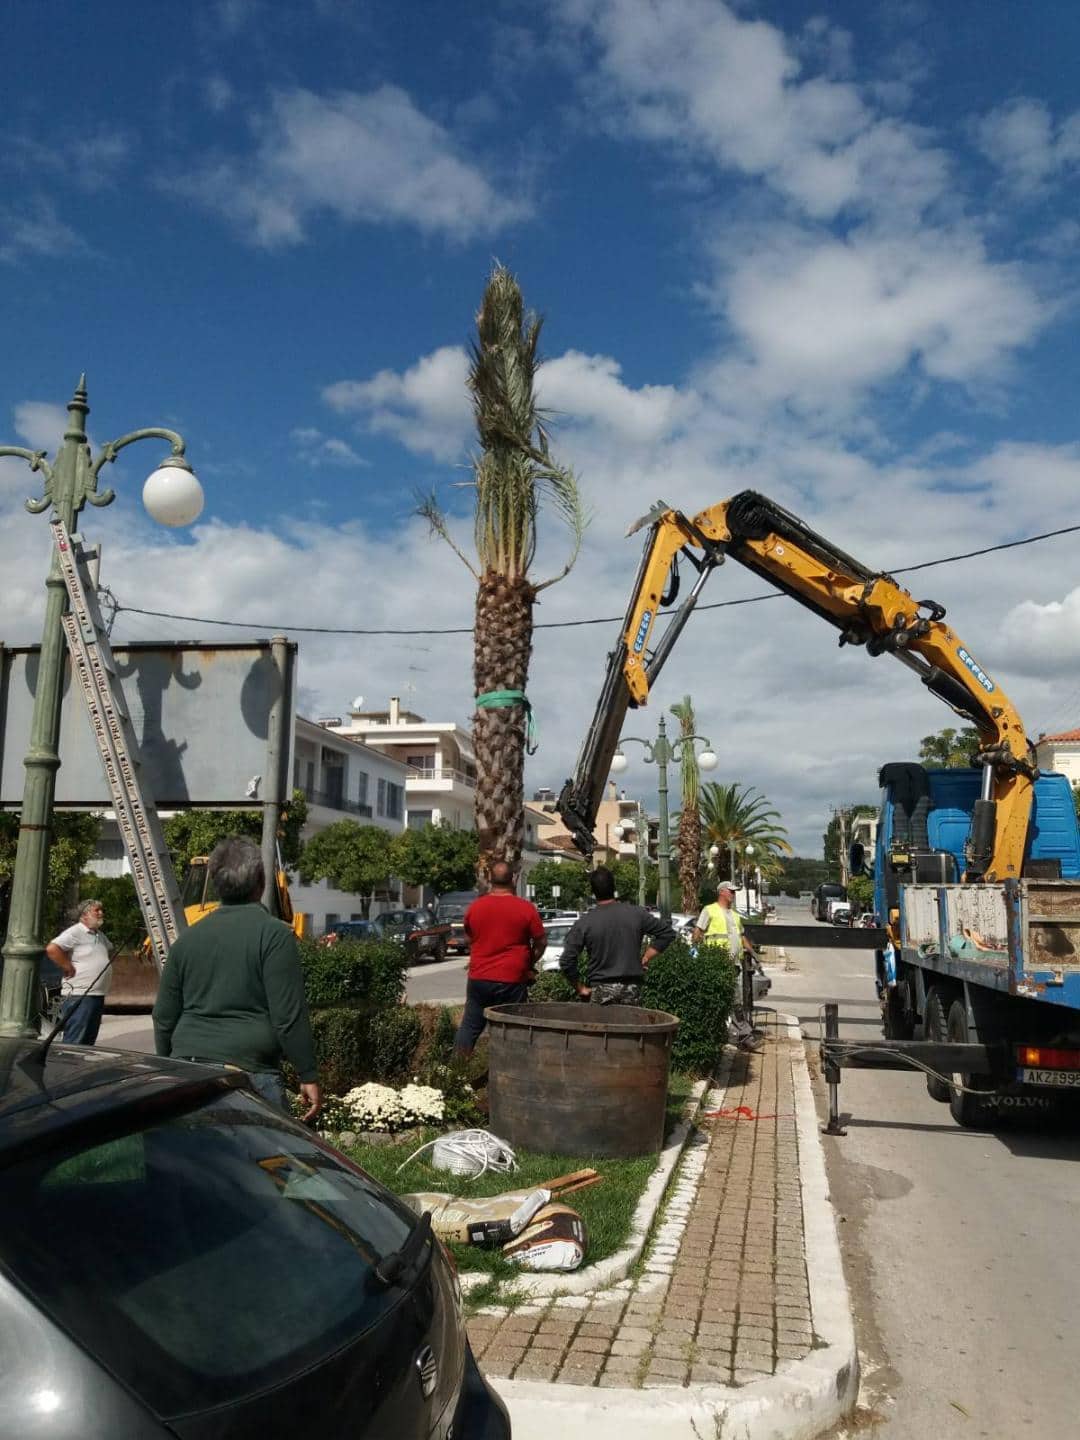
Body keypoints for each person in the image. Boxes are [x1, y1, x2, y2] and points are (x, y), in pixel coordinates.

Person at [153, 836, 321, 1120]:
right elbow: (288, 1016)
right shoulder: (274, 935)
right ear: (261, 881)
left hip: (189, 1070)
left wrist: (173, 1063)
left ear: (216, 883)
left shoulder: (187, 939)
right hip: (250, 1073)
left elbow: (164, 1016)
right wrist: (308, 1073)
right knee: (267, 1159)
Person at [454, 860, 545, 1055]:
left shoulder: (475, 908)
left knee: (470, 1027)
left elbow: (470, 938)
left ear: (489, 878)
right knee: (514, 1029)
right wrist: (529, 963)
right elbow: (541, 942)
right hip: (512, 979)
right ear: (513, 878)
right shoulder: (526, 909)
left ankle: (456, 1074)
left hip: (480, 978)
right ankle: (513, 1071)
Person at [559, 866, 675, 1005]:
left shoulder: (585, 923)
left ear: (593, 892)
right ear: (614, 888)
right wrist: (646, 957)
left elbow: (567, 960)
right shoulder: (636, 914)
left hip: (600, 991)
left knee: (602, 1027)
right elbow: (667, 933)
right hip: (631, 990)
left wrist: (580, 987)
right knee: (630, 1026)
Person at [692, 880, 763, 1052]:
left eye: (734, 891)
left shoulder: (735, 915)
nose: (733, 894)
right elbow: (697, 933)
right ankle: (744, 1035)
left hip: (734, 964)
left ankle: (735, 1035)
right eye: (731, 891)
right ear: (722, 892)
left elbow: (741, 936)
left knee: (733, 1000)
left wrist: (752, 952)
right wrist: (698, 952)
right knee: (729, 1000)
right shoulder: (709, 910)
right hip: (716, 963)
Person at [45, 897, 114, 1045]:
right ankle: (67, 1067)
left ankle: (79, 1067)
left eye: (101, 910)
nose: (101, 913)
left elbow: (109, 949)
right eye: (97, 910)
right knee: (75, 1040)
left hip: (96, 994)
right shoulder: (75, 932)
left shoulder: (99, 935)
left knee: (88, 1041)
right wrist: (67, 966)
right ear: (84, 915)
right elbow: (52, 949)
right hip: (80, 995)